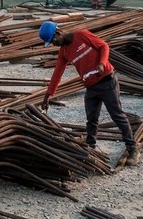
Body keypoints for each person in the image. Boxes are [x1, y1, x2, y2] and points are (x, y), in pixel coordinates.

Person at [38, 20, 140, 165]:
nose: (54, 44)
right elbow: (57, 73)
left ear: (58, 32)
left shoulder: (82, 35)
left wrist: (101, 63)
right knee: (91, 119)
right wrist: (48, 95)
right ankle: (90, 148)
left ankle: (133, 149)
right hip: (91, 88)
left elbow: (103, 46)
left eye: (53, 40)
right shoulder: (64, 52)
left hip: (106, 82)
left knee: (117, 115)